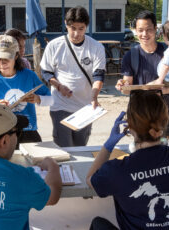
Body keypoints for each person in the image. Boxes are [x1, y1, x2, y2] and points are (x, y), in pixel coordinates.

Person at [87, 90, 169, 230]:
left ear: (129, 126)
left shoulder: (117, 169)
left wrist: (108, 146)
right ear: (165, 120)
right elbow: (161, 144)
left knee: (98, 224)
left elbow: (90, 180)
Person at [116, 10, 169, 142]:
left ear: (156, 29)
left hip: (168, 115)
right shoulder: (130, 56)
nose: (144, 34)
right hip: (142, 117)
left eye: (148, 30)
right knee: (146, 158)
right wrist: (123, 85)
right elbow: (127, 88)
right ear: (135, 31)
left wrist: (168, 90)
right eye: (140, 30)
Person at [40, 6, 106, 147]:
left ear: (87, 26)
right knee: (64, 148)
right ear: (66, 24)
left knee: (81, 147)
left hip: (85, 107)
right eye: (72, 28)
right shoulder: (54, 46)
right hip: (60, 105)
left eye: (81, 28)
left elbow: (98, 76)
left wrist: (94, 98)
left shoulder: (96, 47)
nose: (76, 33)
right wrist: (58, 86)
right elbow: (46, 72)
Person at [0, 34, 52, 146]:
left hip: (27, 131)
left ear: (16, 56)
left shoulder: (29, 75)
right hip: (0, 133)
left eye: (7, 58)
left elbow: (51, 99)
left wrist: (38, 98)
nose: (2, 63)